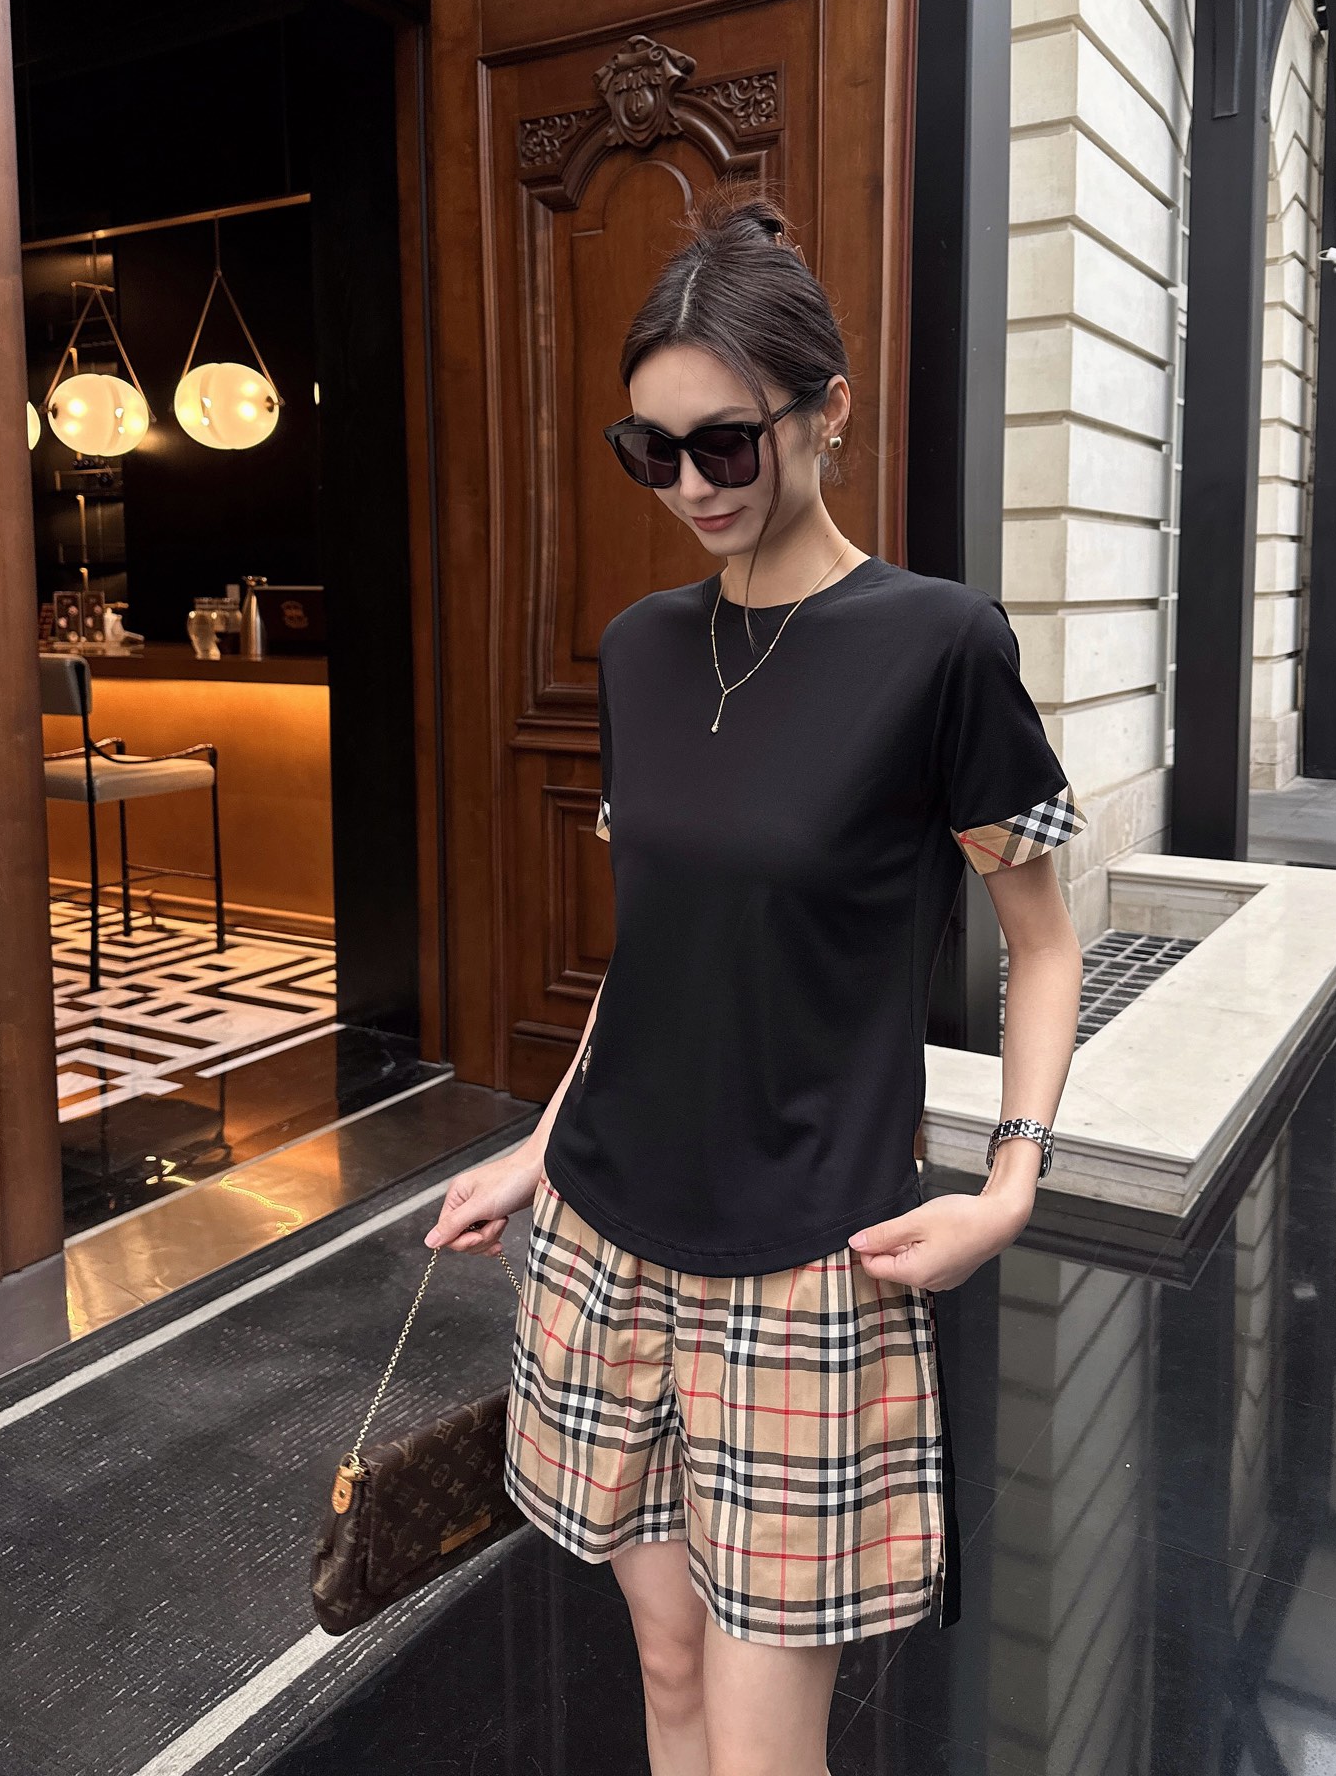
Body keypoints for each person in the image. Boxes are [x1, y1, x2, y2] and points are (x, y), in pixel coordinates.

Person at [424, 184, 1089, 1776]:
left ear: (826, 410)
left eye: (726, 443)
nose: (691, 488)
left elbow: (1045, 941)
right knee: (664, 1666)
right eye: (650, 453)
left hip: (807, 1260)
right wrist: (538, 1149)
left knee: (765, 1732)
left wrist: (1010, 1185)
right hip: (603, 1235)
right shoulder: (639, 649)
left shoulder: (941, 647)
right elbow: (655, 955)